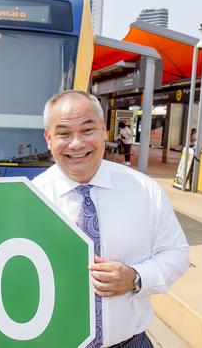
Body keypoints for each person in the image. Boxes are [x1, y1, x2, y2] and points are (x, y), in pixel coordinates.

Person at [32, 90, 189, 348]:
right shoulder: (30, 199)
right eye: (63, 133)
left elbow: (177, 253)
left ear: (104, 130)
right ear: (48, 138)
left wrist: (136, 277)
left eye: (87, 130)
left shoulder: (144, 190)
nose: (76, 144)